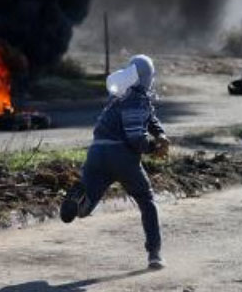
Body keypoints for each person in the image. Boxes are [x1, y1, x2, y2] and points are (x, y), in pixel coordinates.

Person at [60, 54, 170, 270]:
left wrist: (160, 134)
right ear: (147, 77)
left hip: (96, 153)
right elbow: (135, 138)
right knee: (146, 200)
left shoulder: (120, 95)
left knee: (85, 208)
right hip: (121, 156)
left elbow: (149, 117)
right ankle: (154, 254)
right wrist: (153, 148)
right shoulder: (137, 100)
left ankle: (77, 198)